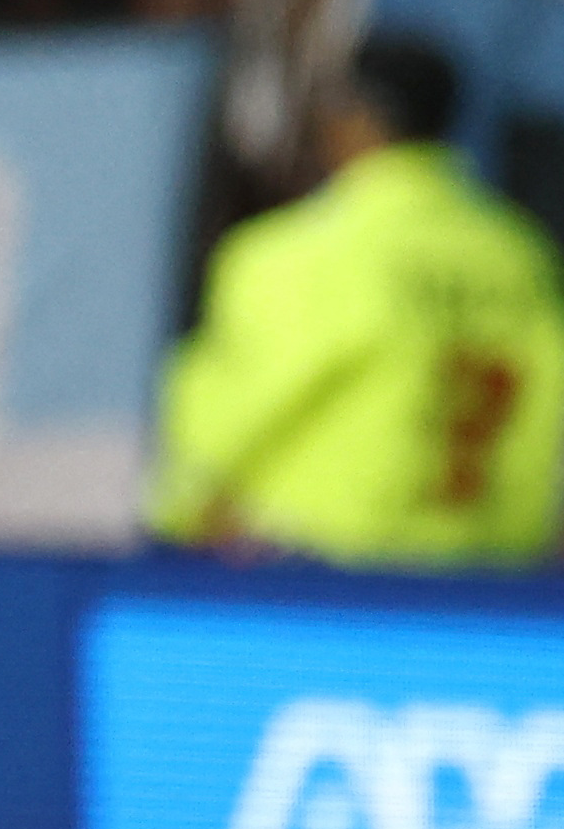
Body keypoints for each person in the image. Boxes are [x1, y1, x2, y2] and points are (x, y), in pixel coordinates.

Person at [148, 33, 564, 568]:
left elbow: (209, 431)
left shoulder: (296, 254)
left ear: (350, 117)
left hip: (323, 585)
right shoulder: (521, 258)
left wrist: (166, 519)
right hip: (486, 588)